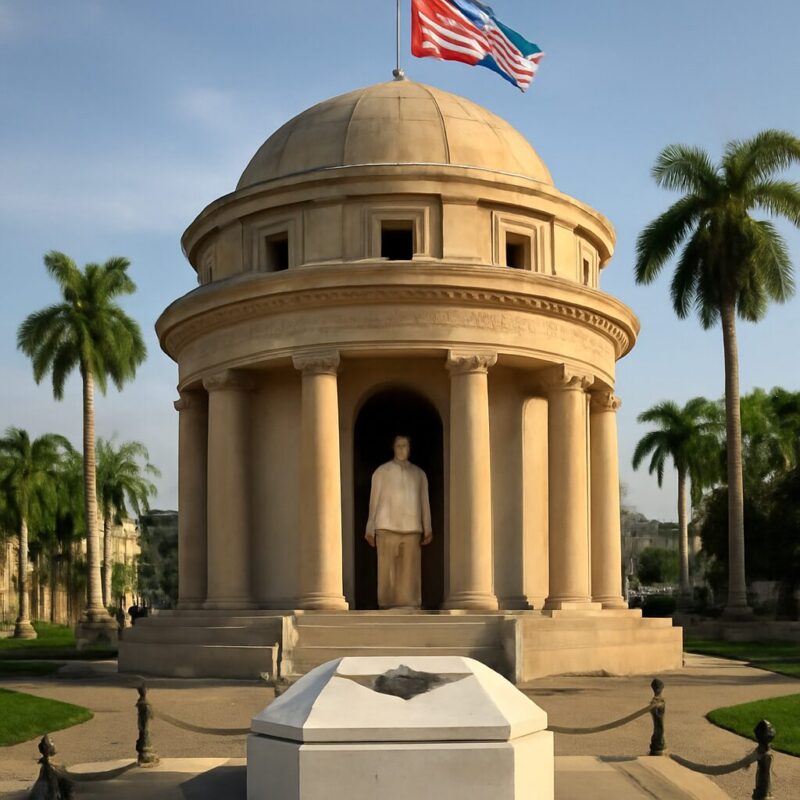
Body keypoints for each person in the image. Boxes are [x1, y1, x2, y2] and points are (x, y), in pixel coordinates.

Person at [366, 435, 432, 609]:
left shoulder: (419, 474)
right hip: (386, 526)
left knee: (410, 571)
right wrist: (370, 525)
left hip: (412, 527)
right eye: (399, 446)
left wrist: (428, 526)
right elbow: (374, 500)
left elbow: (424, 501)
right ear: (393, 448)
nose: (402, 449)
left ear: (409, 449)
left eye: (405, 446)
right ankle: (386, 603)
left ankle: (411, 603)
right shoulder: (382, 472)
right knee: (386, 570)